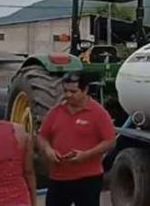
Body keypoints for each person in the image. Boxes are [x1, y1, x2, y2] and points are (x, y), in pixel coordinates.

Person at [38, 72, 116, 206]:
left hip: (88, 179)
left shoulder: (98, 113)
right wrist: (48, 150)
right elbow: (42, 137)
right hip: (59, 178)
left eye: (73, 91)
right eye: (65, 91)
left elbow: (110, 141)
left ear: (85, 90)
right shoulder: (55, 112)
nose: (68, 95)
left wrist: (86, 155)